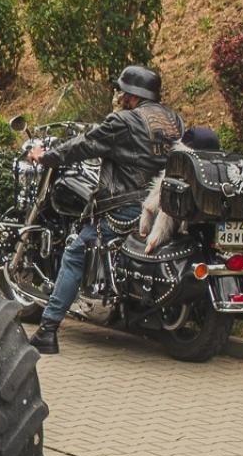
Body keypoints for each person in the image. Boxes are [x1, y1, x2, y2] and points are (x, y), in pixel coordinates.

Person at [26, 65, 185, 354]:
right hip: (164, 206)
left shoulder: (125, 121)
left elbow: (85, 144)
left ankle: (47, 330)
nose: (120, 96)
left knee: (75, 252)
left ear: (131, 95)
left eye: (123, 91)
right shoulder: (174, 121)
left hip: (126, 208)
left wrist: (46, 156)